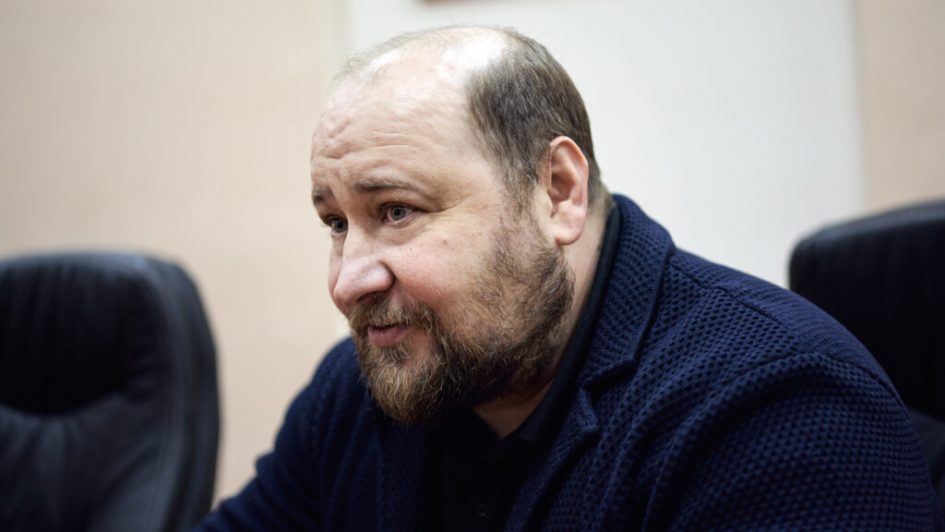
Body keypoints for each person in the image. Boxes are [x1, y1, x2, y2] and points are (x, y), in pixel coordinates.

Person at [199, 26, 941, 530]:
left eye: (397, 210)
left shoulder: (780, 408)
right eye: (336, 223)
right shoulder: (359, 392)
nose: (348, 282)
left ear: (557, 191)